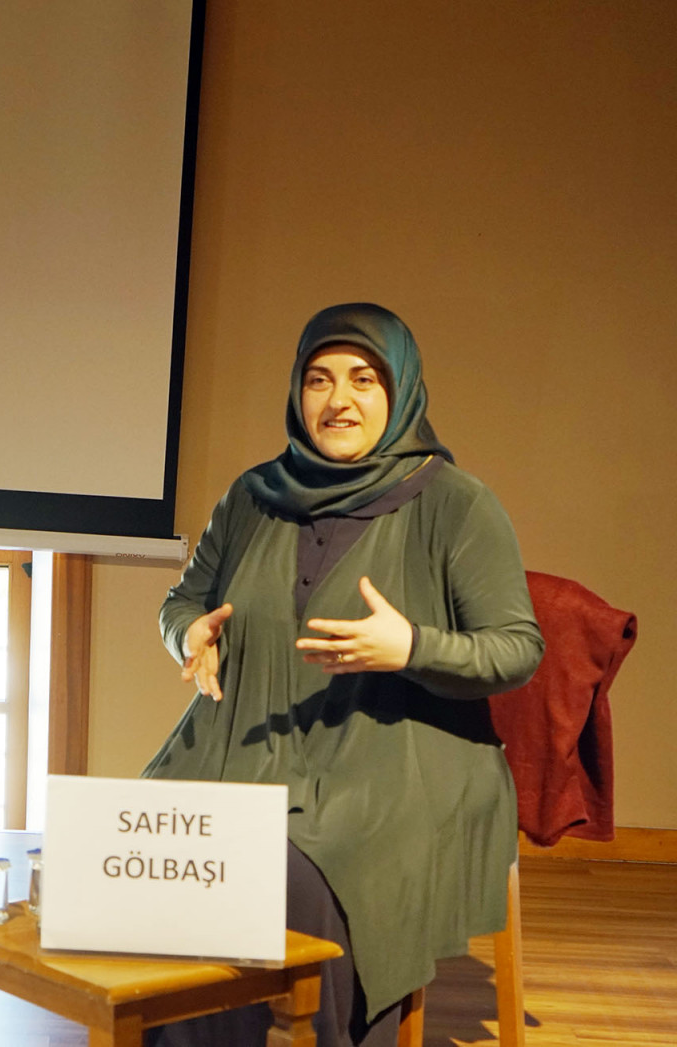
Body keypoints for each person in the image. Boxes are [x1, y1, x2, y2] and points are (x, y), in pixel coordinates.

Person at [144, 303, 543, 1046]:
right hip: (249, 742)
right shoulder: (254, 495)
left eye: (364, 379)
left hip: (396, 761)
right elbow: (183, 601)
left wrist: (412, 646)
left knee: (299, 865)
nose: (339, 401)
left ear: (401, 392)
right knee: (157, 842)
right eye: (319, 380)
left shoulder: (456, 503)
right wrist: (186, 633)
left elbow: (517, 648)